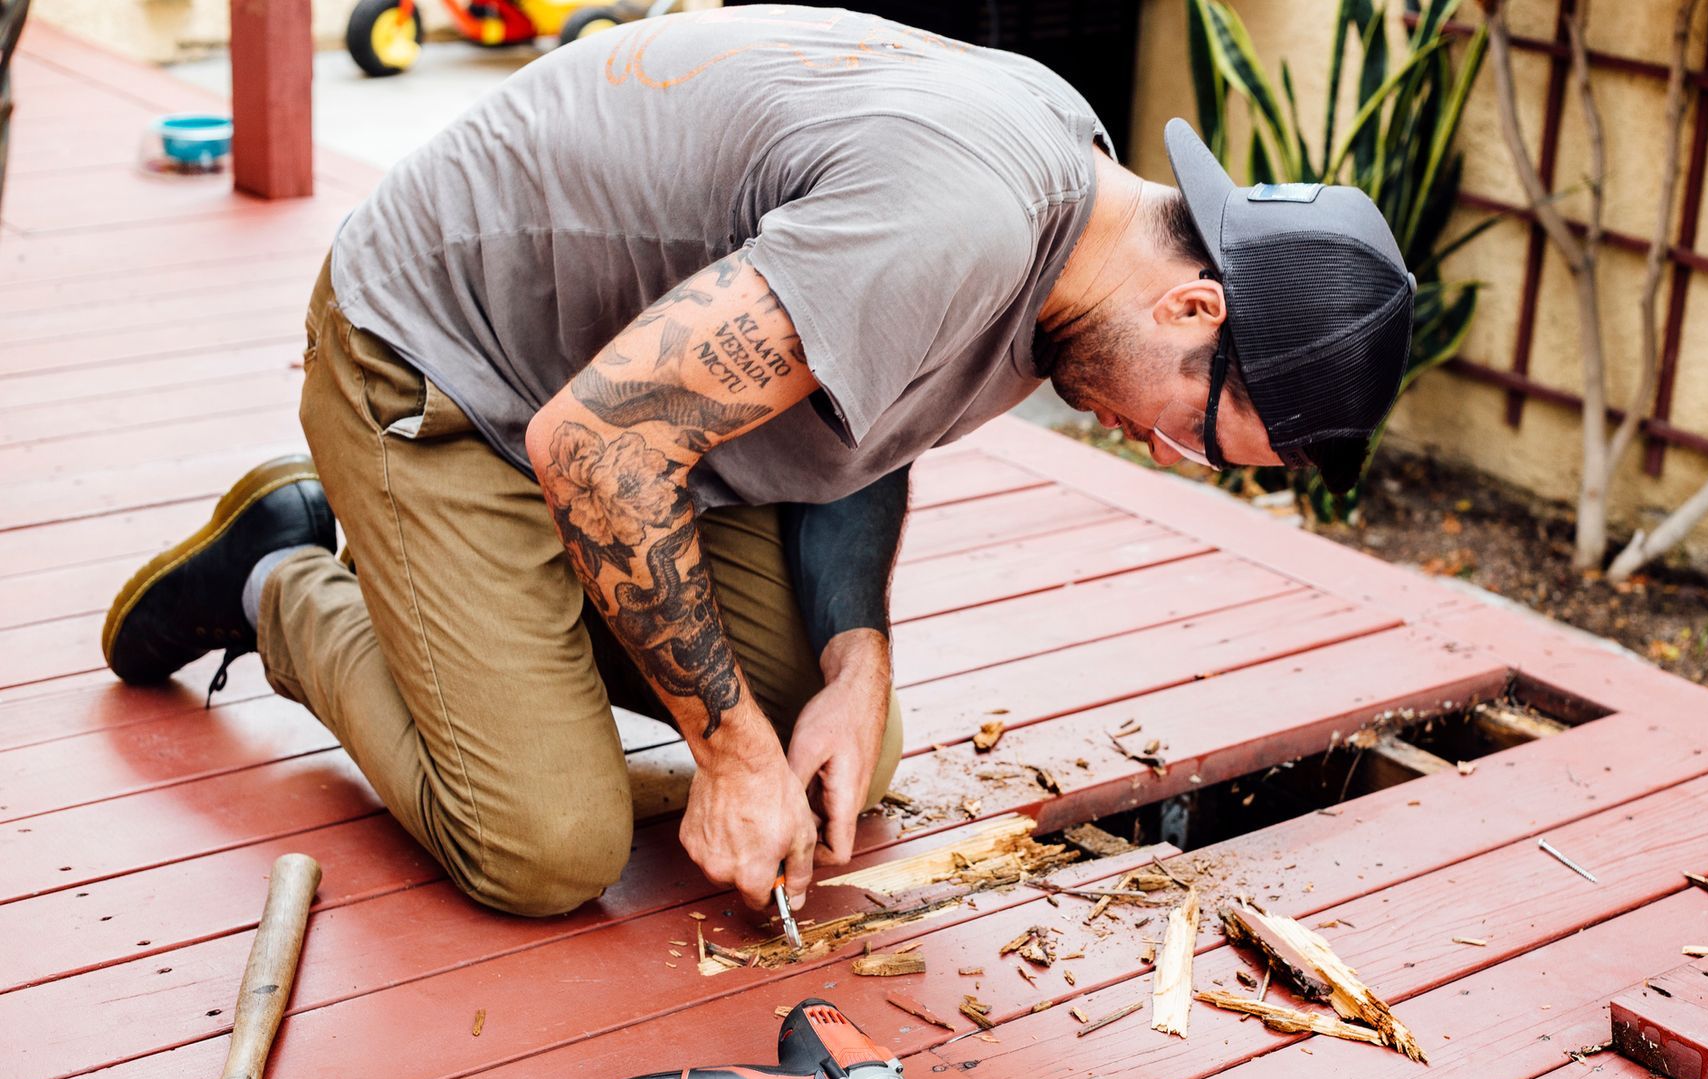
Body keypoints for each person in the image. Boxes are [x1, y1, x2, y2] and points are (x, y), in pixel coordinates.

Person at [101, 5, 1414, 921]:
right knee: (548, 847)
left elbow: (868, 427)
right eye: (1200, 428)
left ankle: (491, 614)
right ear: (1198, 310)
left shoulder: (1077, 249)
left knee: (852, 748)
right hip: (449, 362)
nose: (1170, 451)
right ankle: (290, 574)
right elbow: (598, 448)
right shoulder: (953, 217)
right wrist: (723, 754)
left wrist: (858, 659)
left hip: (634, 406)